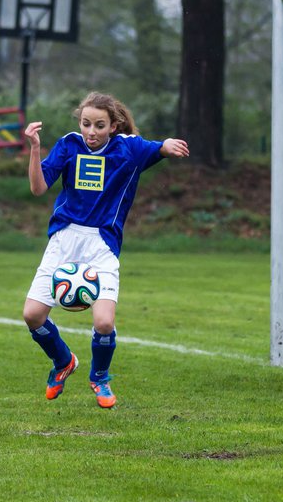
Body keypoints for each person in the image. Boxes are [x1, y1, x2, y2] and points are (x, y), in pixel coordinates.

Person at [21, 92, 190, 408]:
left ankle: (99, 378)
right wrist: (34, 149)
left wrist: (169, 145)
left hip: (102, 244)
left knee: (103, 323)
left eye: (99, 125)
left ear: (114, 126)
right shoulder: (69, 145)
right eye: (86, 124)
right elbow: (38, 188)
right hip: (63, 240)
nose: (91, 131)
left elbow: (159, 146)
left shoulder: (129, 148)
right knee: (32, 315)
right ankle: (63, 362)